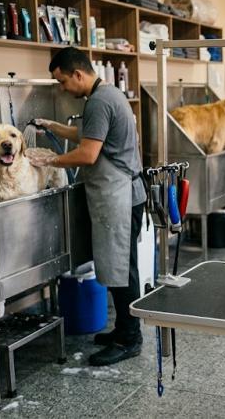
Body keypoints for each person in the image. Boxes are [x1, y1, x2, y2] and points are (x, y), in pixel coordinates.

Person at [29, 48, 147, 366]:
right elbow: (86, 133)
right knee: (120, 267)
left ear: (78, 74)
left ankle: (130, 339)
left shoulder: (98, 101)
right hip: (122, 194)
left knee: (122, 270)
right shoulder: (106, 94)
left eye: (63, 81)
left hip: (118, 196)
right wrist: (54, 127)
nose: (62, 88)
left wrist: (47, 159)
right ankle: (124, 328)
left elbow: (88, 154)